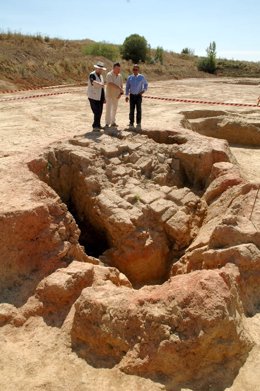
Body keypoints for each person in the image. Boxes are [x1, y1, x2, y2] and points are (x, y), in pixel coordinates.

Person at [125, 64, 148, 130]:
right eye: (134, 69)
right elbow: (127, 87)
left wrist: (143, 91)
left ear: (138, 70)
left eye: (136, 69)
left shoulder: (141, 77)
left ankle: (138, 123)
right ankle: (131, 122)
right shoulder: (130, 77)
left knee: (139, 110)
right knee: (131, 110)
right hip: (131, 95)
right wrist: (126, 96)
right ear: (132, 70)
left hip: (138, 96)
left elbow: (146, 84)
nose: (135, 71)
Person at [87, 61, 106, 131]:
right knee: (96, 111)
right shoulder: (92, 74)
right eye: (99, 69)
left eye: (101, 69)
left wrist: (104, 98)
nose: (100, 70)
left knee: (100, 111)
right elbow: (93, 82)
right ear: (96, 68)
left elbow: (102, 88)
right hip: (92, 96)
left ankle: (98, 125)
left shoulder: (101, 76)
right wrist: (100, 84)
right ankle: (95, 126)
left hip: (100, 96)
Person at [105, 62, 124, 128]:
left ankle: (113, 122)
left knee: (114, 109)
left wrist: (121, 93)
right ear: (113, 68)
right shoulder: (109, 74)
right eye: (117, 69)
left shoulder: (120, 76)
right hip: (109, 94)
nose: (119, 70)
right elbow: (110, 83)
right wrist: (118, 88)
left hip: (116, 95)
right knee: (108, 109)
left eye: (119, 69)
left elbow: (121, 85)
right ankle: (107, 123)